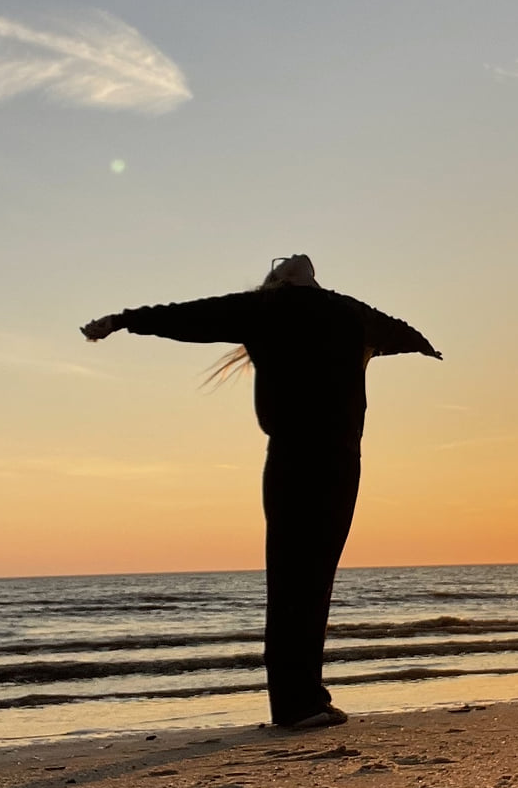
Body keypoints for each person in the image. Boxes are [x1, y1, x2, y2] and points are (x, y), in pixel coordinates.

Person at [81, 255, 440, 729]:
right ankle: (295, 705)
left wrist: (422, 347)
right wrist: (123, 322)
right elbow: (189, 316)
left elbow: (400, 333)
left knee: (311, 581)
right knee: (296, 579)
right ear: (281, 277)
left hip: (326, 461)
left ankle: (306, 698)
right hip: (310, 458)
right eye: (283, 262)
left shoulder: (340, 312)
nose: (293, 258)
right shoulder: (278, 308)